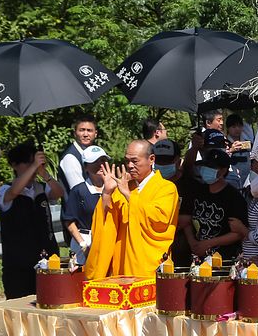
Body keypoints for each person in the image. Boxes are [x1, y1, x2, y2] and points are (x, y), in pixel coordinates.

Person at [85, 140, 180, 279]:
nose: (130, 165)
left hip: (148, 266)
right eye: (127, 161)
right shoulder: (123, 187)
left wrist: (128, 195)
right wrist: (107, 192)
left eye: (135, 161)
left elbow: (159, 220)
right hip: (121, 265)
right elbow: (105, 221)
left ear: (151, 159)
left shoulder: (166, 188)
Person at [0, 142, 63, 299]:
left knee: (50, 302)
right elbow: (14, 191)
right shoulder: (5, 190)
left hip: (46, 257)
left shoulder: (41, 188)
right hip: (18, 263)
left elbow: (59, 192)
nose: (32, 167)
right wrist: (34, 166)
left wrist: (44, 173)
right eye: (28, 163)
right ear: (14, 165)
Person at [177, 148, 248, 264]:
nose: (206, 170)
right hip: (196, 259)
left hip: (222, 260)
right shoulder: (197, 191)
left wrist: (209, 243)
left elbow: (237, 233)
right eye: (205, 166)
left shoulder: (234, 197)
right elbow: (187, 220)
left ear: (223, 171)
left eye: (212, 167)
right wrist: (192, 243)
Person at [62, 145, 108, 266]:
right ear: (86, 167)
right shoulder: (78, 191)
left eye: (103, 160)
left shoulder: (115, 188)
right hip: (85, 241)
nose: (100, 165)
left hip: (108, 239)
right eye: (95, 161)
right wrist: (83, 245)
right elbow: (69, 221)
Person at [57, 115, 98, 193]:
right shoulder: (70, 158)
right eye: (82, 130)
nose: (85, 134)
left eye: (89, 130)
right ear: (75, 133)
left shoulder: (94, 153)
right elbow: (80, 191)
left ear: (95, 134)